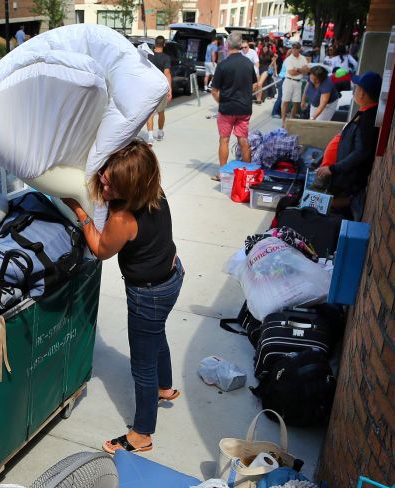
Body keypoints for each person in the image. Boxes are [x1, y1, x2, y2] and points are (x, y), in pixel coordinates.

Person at [62, 139, 184, 454]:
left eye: (110, 186)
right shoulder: (153, 189)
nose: (103, 187)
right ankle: (165, 388)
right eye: (103, 179)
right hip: (172, 275)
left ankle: (141, 434)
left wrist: (79, 210)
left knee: (142, 365)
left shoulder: (123, 219)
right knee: (156, 333)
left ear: (130, 186)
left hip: (149, 294)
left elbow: (100, 249)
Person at [315, 72, 381, 208]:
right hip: (340, 177)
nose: (354, 91)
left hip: (346, 183)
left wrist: (333, 169)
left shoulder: (368, 119)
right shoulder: (366, 112)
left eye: (356, 88)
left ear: (362, 93)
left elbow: (361, 152)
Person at [211, 32, 258, 179]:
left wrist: (222, 101)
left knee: (224, 139)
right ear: (240, 45)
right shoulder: (248, 63)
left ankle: (223, 173)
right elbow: (255, 85)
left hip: (227, 109)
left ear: (227, 45)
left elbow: (214, 91)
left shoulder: (223, 65)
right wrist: (245, 96)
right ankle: (248, 173)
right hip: (244, 108)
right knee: (243, 139)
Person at [146, 36, 173, 143]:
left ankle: (150, 137)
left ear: (155, 44)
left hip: (150, 87)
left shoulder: (148, 56)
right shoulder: (166, 58)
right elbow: (167, 73)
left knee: (150, 113)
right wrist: (170, 89)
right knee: (161, 112)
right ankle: (160, 132)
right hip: (161, 88)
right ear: (164, 45)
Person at [280, 42, 309, 127]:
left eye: (296, 48)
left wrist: (297, 69)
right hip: (289, 81)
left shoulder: (303, 58)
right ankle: (284, 122)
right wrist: (301, 70)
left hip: (298, 82)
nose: (294, 50)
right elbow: (291, 72)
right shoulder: (288, 59)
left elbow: (307, 70)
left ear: (299, 49)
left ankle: (291, 120)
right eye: (293, 48)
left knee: (296, 103)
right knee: (285, 101)